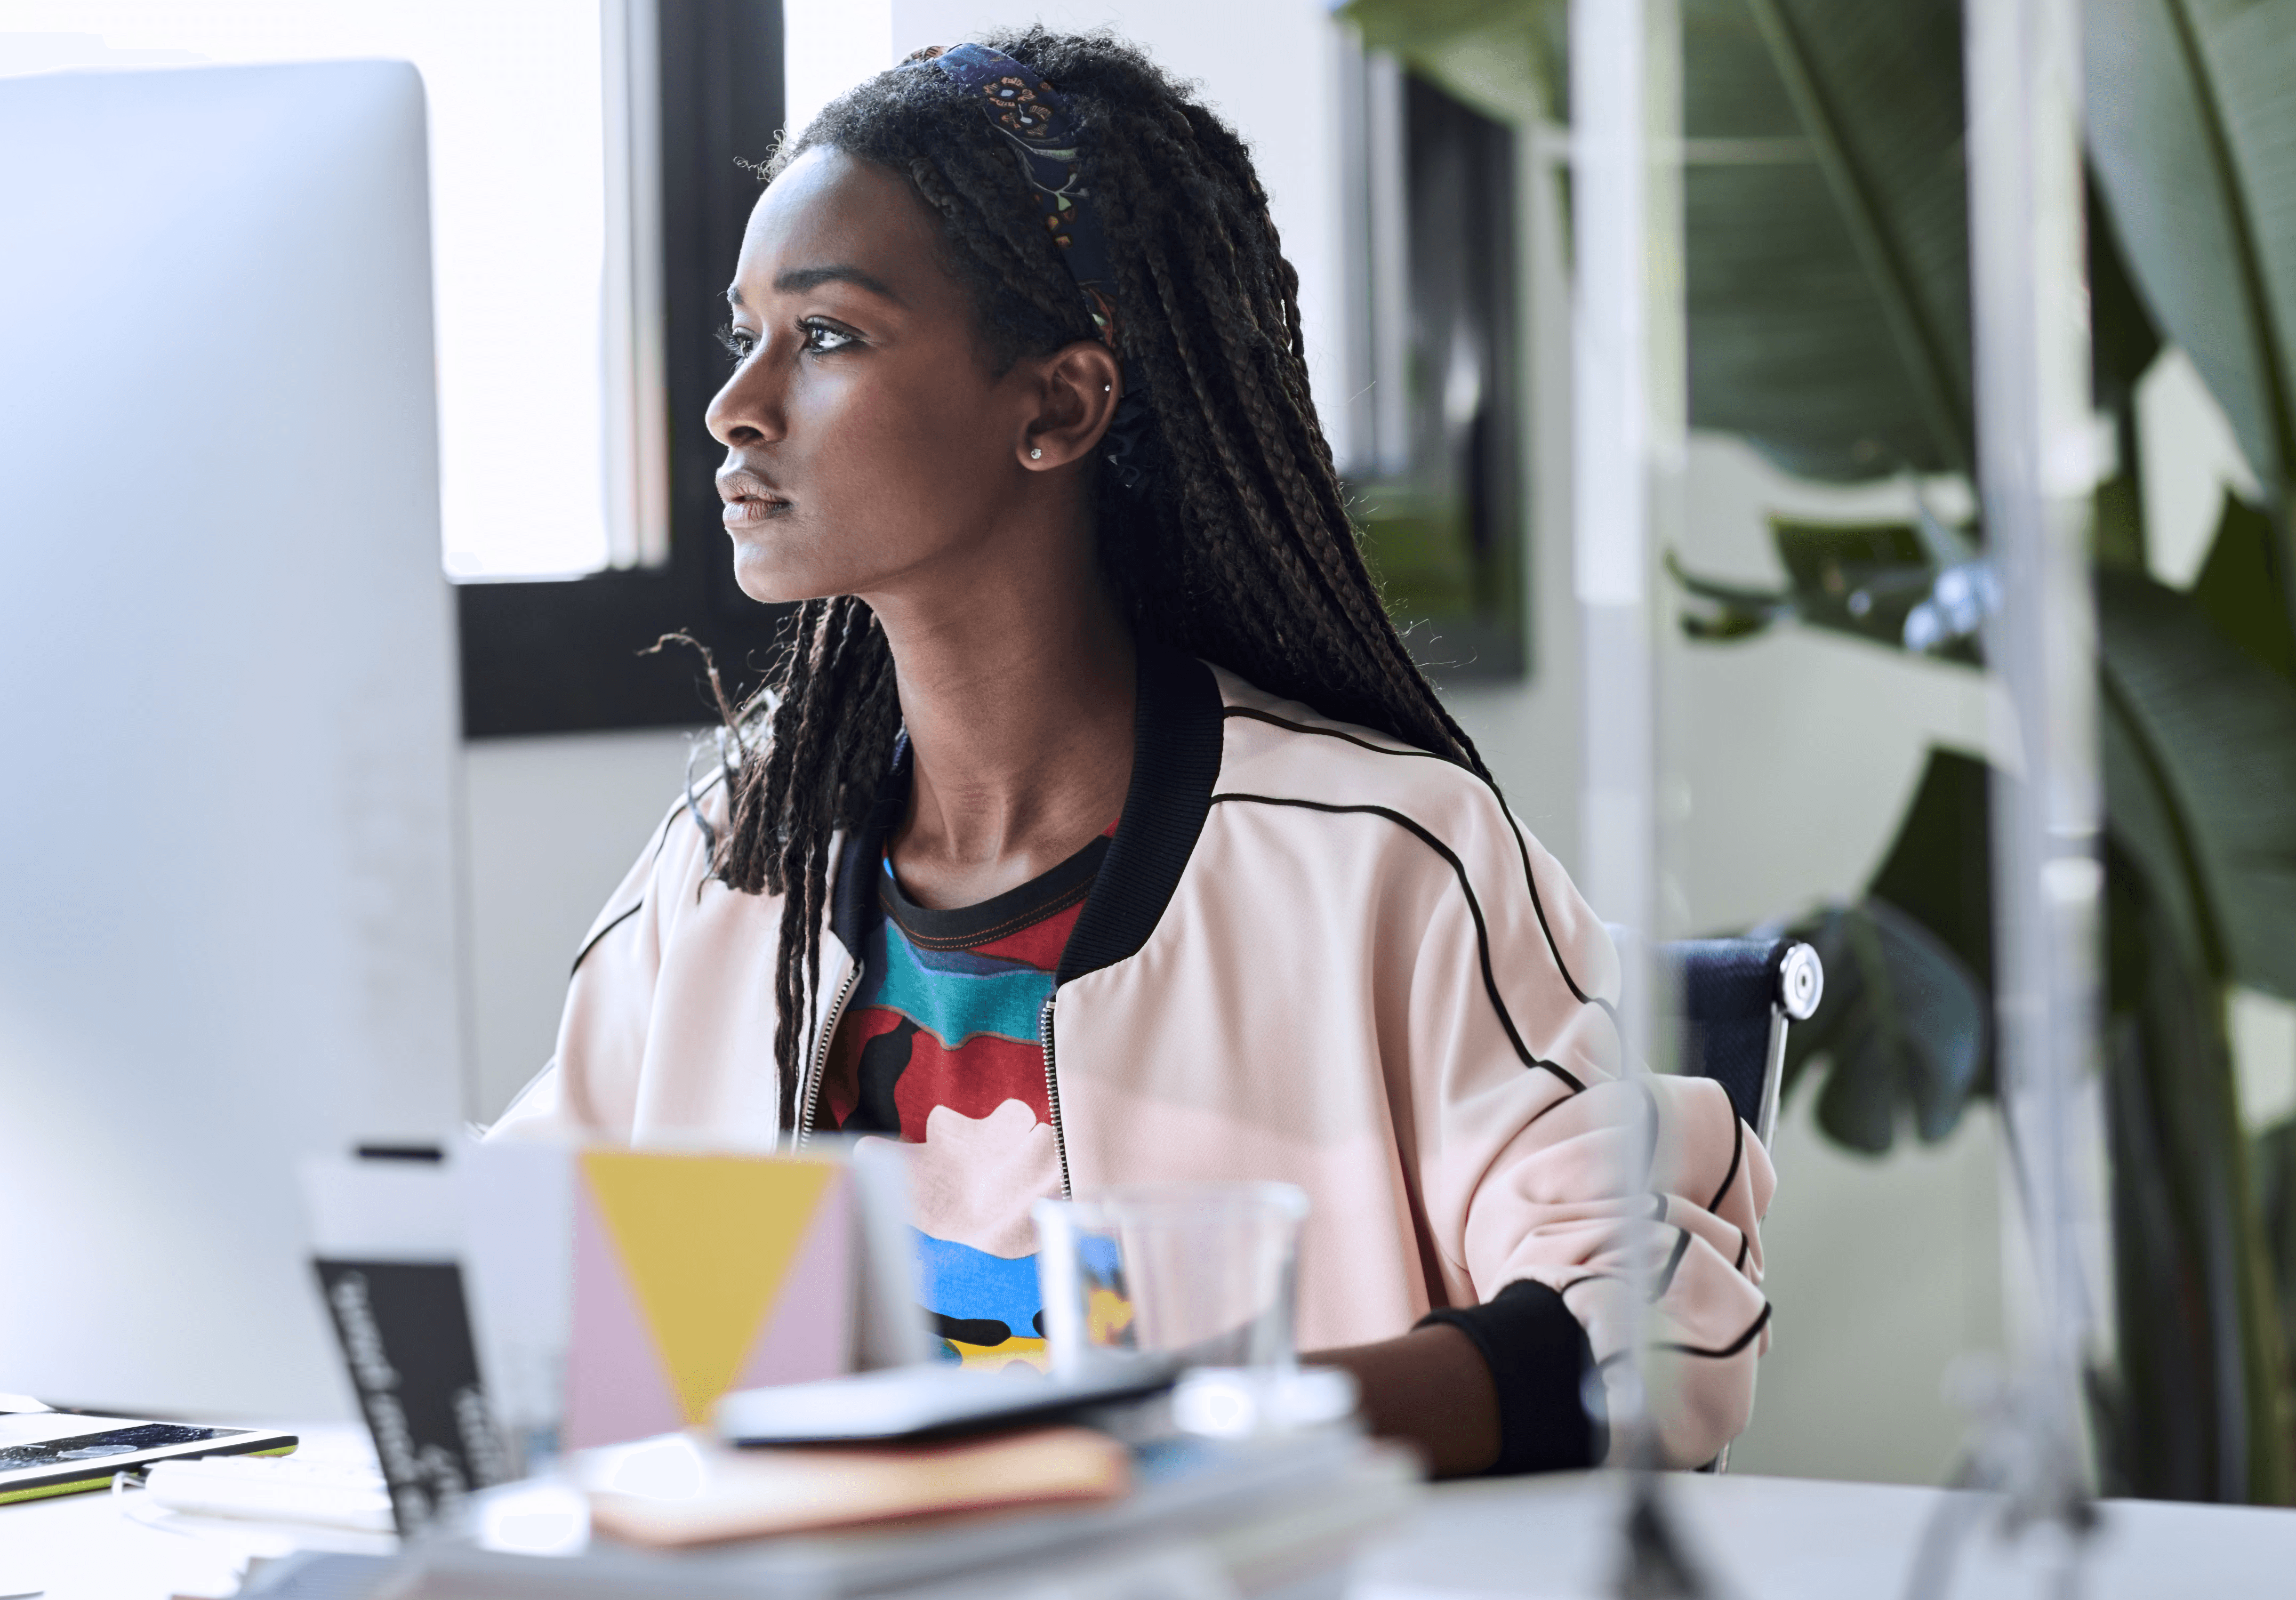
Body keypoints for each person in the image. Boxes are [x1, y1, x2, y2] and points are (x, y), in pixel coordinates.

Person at [484, 29, 1770, 1476]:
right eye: (747, 337)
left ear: (1058, 404)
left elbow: (1654, 1320)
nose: (738, 404)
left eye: (828, 334)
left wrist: (1184, 1438)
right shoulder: (739, 853)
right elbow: (511, 1277)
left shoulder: (1382, 861)